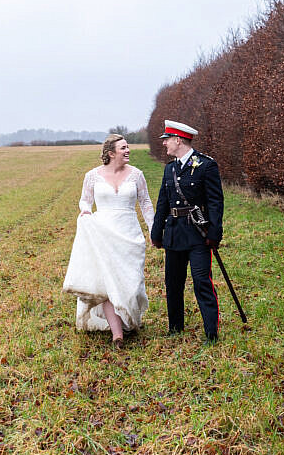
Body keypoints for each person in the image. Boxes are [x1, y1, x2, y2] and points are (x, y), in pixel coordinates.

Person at [62, 134, 153, 346]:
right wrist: (85, 212)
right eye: (123, 148)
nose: (128, 150)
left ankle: (129, 318)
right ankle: (117, 334)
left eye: (128, 146)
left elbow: (146, 203)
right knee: (107, 283)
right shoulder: (92, 176)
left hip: (129, 235)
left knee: (131, 283)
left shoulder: (137, 175)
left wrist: (153, 229)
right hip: (103, 234)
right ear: (111, 153)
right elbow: (85, 201)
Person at [150, 120, 224, 342]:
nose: (165, 145)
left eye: (167, 140)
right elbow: (163, 203)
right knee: (173, 282)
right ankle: (175, 327)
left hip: (198, 234)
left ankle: (211, 332)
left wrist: (214, 233)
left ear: (178, 140)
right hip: (173, 233)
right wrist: (157, 231)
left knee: (202, 281)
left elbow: (215, 203)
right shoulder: (169, 169)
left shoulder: (206, 165)